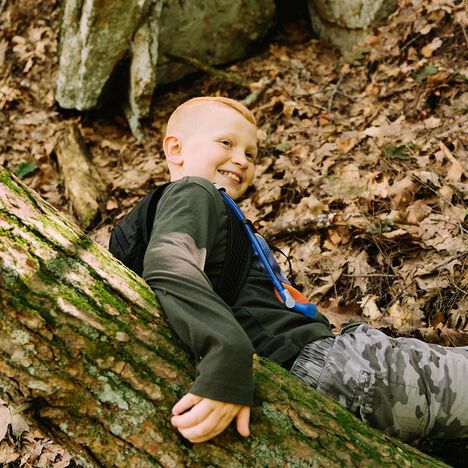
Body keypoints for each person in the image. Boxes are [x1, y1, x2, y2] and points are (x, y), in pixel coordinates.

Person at [142, 96, 468, 445]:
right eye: (226, 143)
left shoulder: (197, 210)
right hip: (332, 367)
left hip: (331, 369)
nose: (242, 159)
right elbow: (170, 262)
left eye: (251, 154)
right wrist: (226, 357)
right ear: (175, 149)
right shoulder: (195, 191)